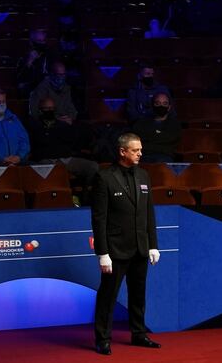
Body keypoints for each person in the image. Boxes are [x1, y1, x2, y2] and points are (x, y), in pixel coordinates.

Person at [92, 133, 161, 355]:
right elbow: (99, 218)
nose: (140, 153)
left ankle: (139, 334)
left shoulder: (144, 175)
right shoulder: (104, 177)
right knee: (108, 296)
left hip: (140, 247)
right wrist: (102, 253)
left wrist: (153, 244)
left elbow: (149, 213)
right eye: (135, 150)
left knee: (138, 295)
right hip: (115, 250)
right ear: (123, 152)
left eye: (140, 150)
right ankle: (102, 338)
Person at [26, 97, 98, 200]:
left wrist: (69, 126)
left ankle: (85, 198)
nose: (50, 111)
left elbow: (73, 142)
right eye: (46, 108)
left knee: (93, 167)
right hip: (47, 160)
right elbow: (38, 145)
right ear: (40, 110)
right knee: (53, 170)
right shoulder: (34, 126)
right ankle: (55, 200)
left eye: (52, 108)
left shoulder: (62, 124)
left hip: (66, 159)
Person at [131, 93, 181, 163]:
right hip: (143, 156)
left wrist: (149, 139)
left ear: (169, 107)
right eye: (158, 103)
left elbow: (169, 140)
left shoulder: (174, 124)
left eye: (165, 103)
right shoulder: (142, 122)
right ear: (153, 105)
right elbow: (136, 139)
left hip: (164, 157)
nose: (161, 106)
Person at [17, 28, 59, 95]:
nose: (42, 43)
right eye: (39, 41)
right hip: (31, 91)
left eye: (43, 40)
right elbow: (20, 80)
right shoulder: (24, 57)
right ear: (31, 42)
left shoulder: (49, 54)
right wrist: (29, 62)